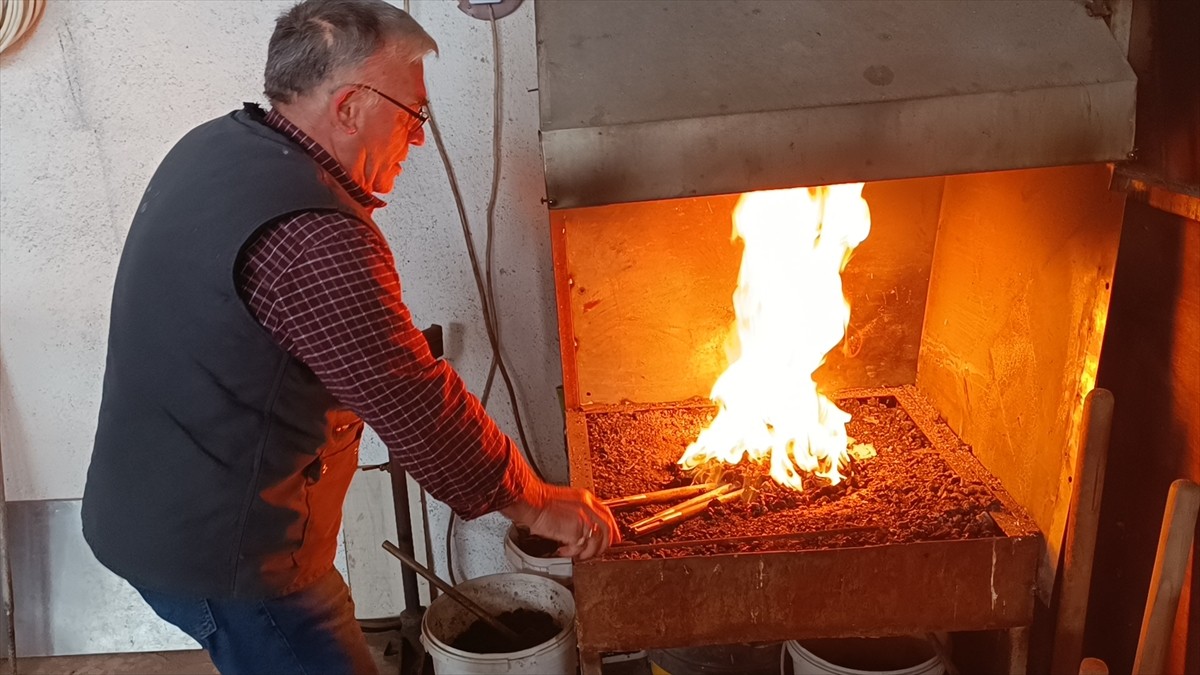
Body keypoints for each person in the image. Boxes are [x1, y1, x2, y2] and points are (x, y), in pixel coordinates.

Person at [79, 1, 617, 673]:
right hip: (225, 551)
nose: (418, 139)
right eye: (413, 114)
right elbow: (414, 403)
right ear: (351, 106)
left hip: (150, 510)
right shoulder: (316, 237)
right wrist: (535, 500)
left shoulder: (217, 144)